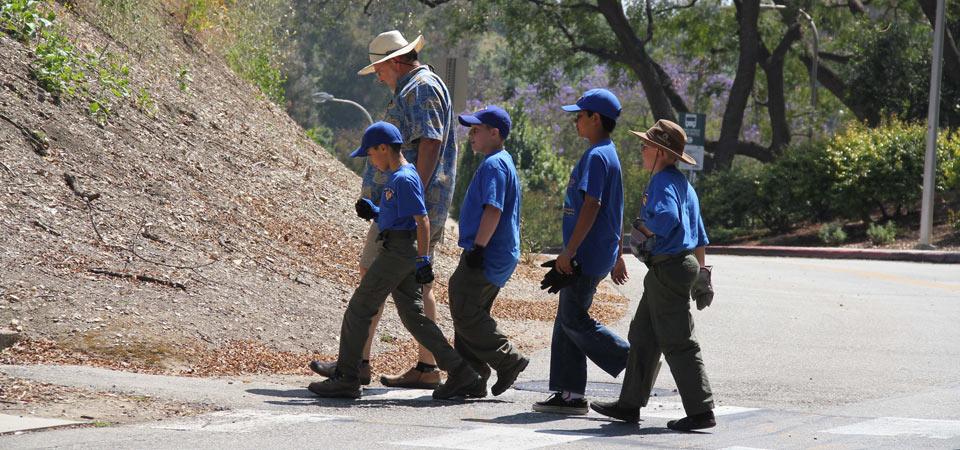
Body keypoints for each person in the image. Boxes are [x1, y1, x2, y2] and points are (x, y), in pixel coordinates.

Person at [310, 30, 458, 389]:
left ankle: (356, 365)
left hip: (405, 212)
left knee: (373, 277)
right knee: (414, 283)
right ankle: (427, 367)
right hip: (406, 208)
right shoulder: (417, 86)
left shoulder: (420, 87)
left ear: (394, 61)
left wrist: (411, 200)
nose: (377, 76)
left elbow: (430, 142)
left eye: (378, 68)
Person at [307, 121, 480, 400]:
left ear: (383, 148)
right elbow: (399, 217)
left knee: (359, 309)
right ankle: (462, 372)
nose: (370, 160)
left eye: (371, 153)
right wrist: (374, 212)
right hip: (399, 247)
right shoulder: (399, 177)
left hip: (399, 252)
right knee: (414, 317)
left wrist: (424, 260)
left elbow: (421, 220)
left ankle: (347, 378)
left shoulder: (404, 178)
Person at [590, 119, 717, 431]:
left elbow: (667, 218)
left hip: (669, 268)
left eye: (646, 146)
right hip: (676, 267)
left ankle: (701, 410)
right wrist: (702, 273)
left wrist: (645, 232)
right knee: (643, 336)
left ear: (661, 152)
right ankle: (629, 403)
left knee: (678, 341)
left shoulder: (661, 184)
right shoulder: (684, 185)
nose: (642, 150)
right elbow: (699, 235)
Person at [533, 89, 631, 415]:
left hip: (585, 255)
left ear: (596, 119)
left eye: (580, 114)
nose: (576, 120)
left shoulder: (598, 156)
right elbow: (617, 211)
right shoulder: (605, 153)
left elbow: (594, 204)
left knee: (574, 319)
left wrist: (570, 251)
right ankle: (569, 394)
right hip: (593, 253)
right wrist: (618, 255)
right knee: (565, 321)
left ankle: (632, 358)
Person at [449, 106, 529, 398]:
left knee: (465, 308)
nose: (471, 136)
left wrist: (479, 248)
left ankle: (507, 360)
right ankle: (471, 376)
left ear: (494, 133)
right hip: (497, 251)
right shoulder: (500, 160)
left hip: (488, 251)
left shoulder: (494, 164)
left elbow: (493, 209)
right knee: (469, 308)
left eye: (476, 130)